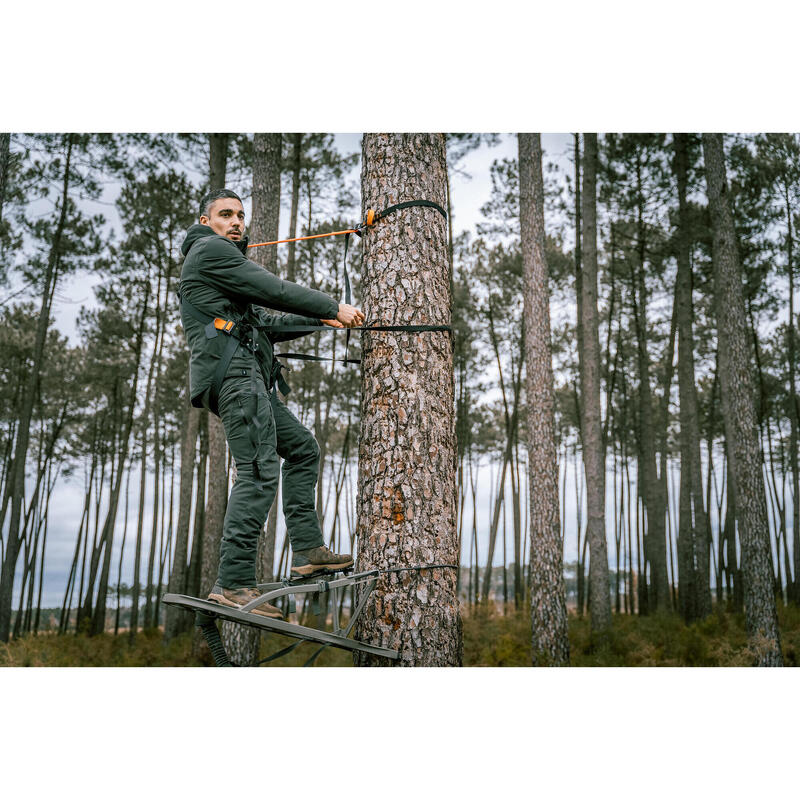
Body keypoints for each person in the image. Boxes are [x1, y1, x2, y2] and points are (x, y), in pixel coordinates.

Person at [179, 189, 364, 619]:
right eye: (226, 214)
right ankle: (234, 583)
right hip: (237, 378)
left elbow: (264, 320)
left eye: (241, 215)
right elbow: (273, 290)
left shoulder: (224, 272)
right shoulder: (208, 251)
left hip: (249, 380)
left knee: (302, 448)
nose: (236, 222)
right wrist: (333, 304)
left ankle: (307, 551)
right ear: (206, 222)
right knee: (259, 471)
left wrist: (321, 318)